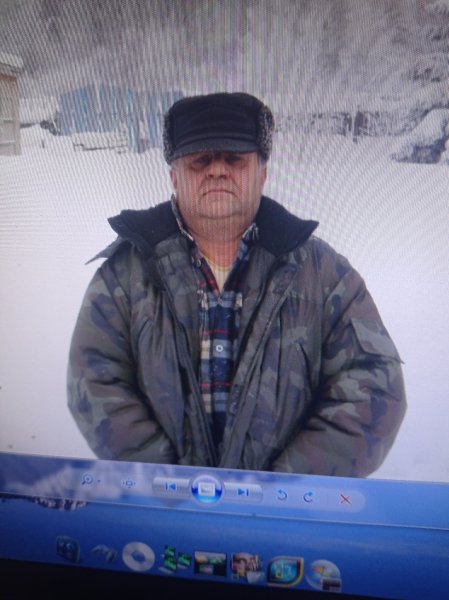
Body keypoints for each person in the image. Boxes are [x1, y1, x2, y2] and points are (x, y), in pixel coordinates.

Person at [67, 92, 406, 476]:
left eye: (234, 159)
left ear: (262, 173)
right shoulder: (123, 275)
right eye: (200, 160)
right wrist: (167, 485)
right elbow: (94, 379)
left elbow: (375, 386)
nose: (217, 170)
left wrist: (283, 489)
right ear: (174, 177)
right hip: (164, 507)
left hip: (281, 509)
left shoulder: (325, 275)